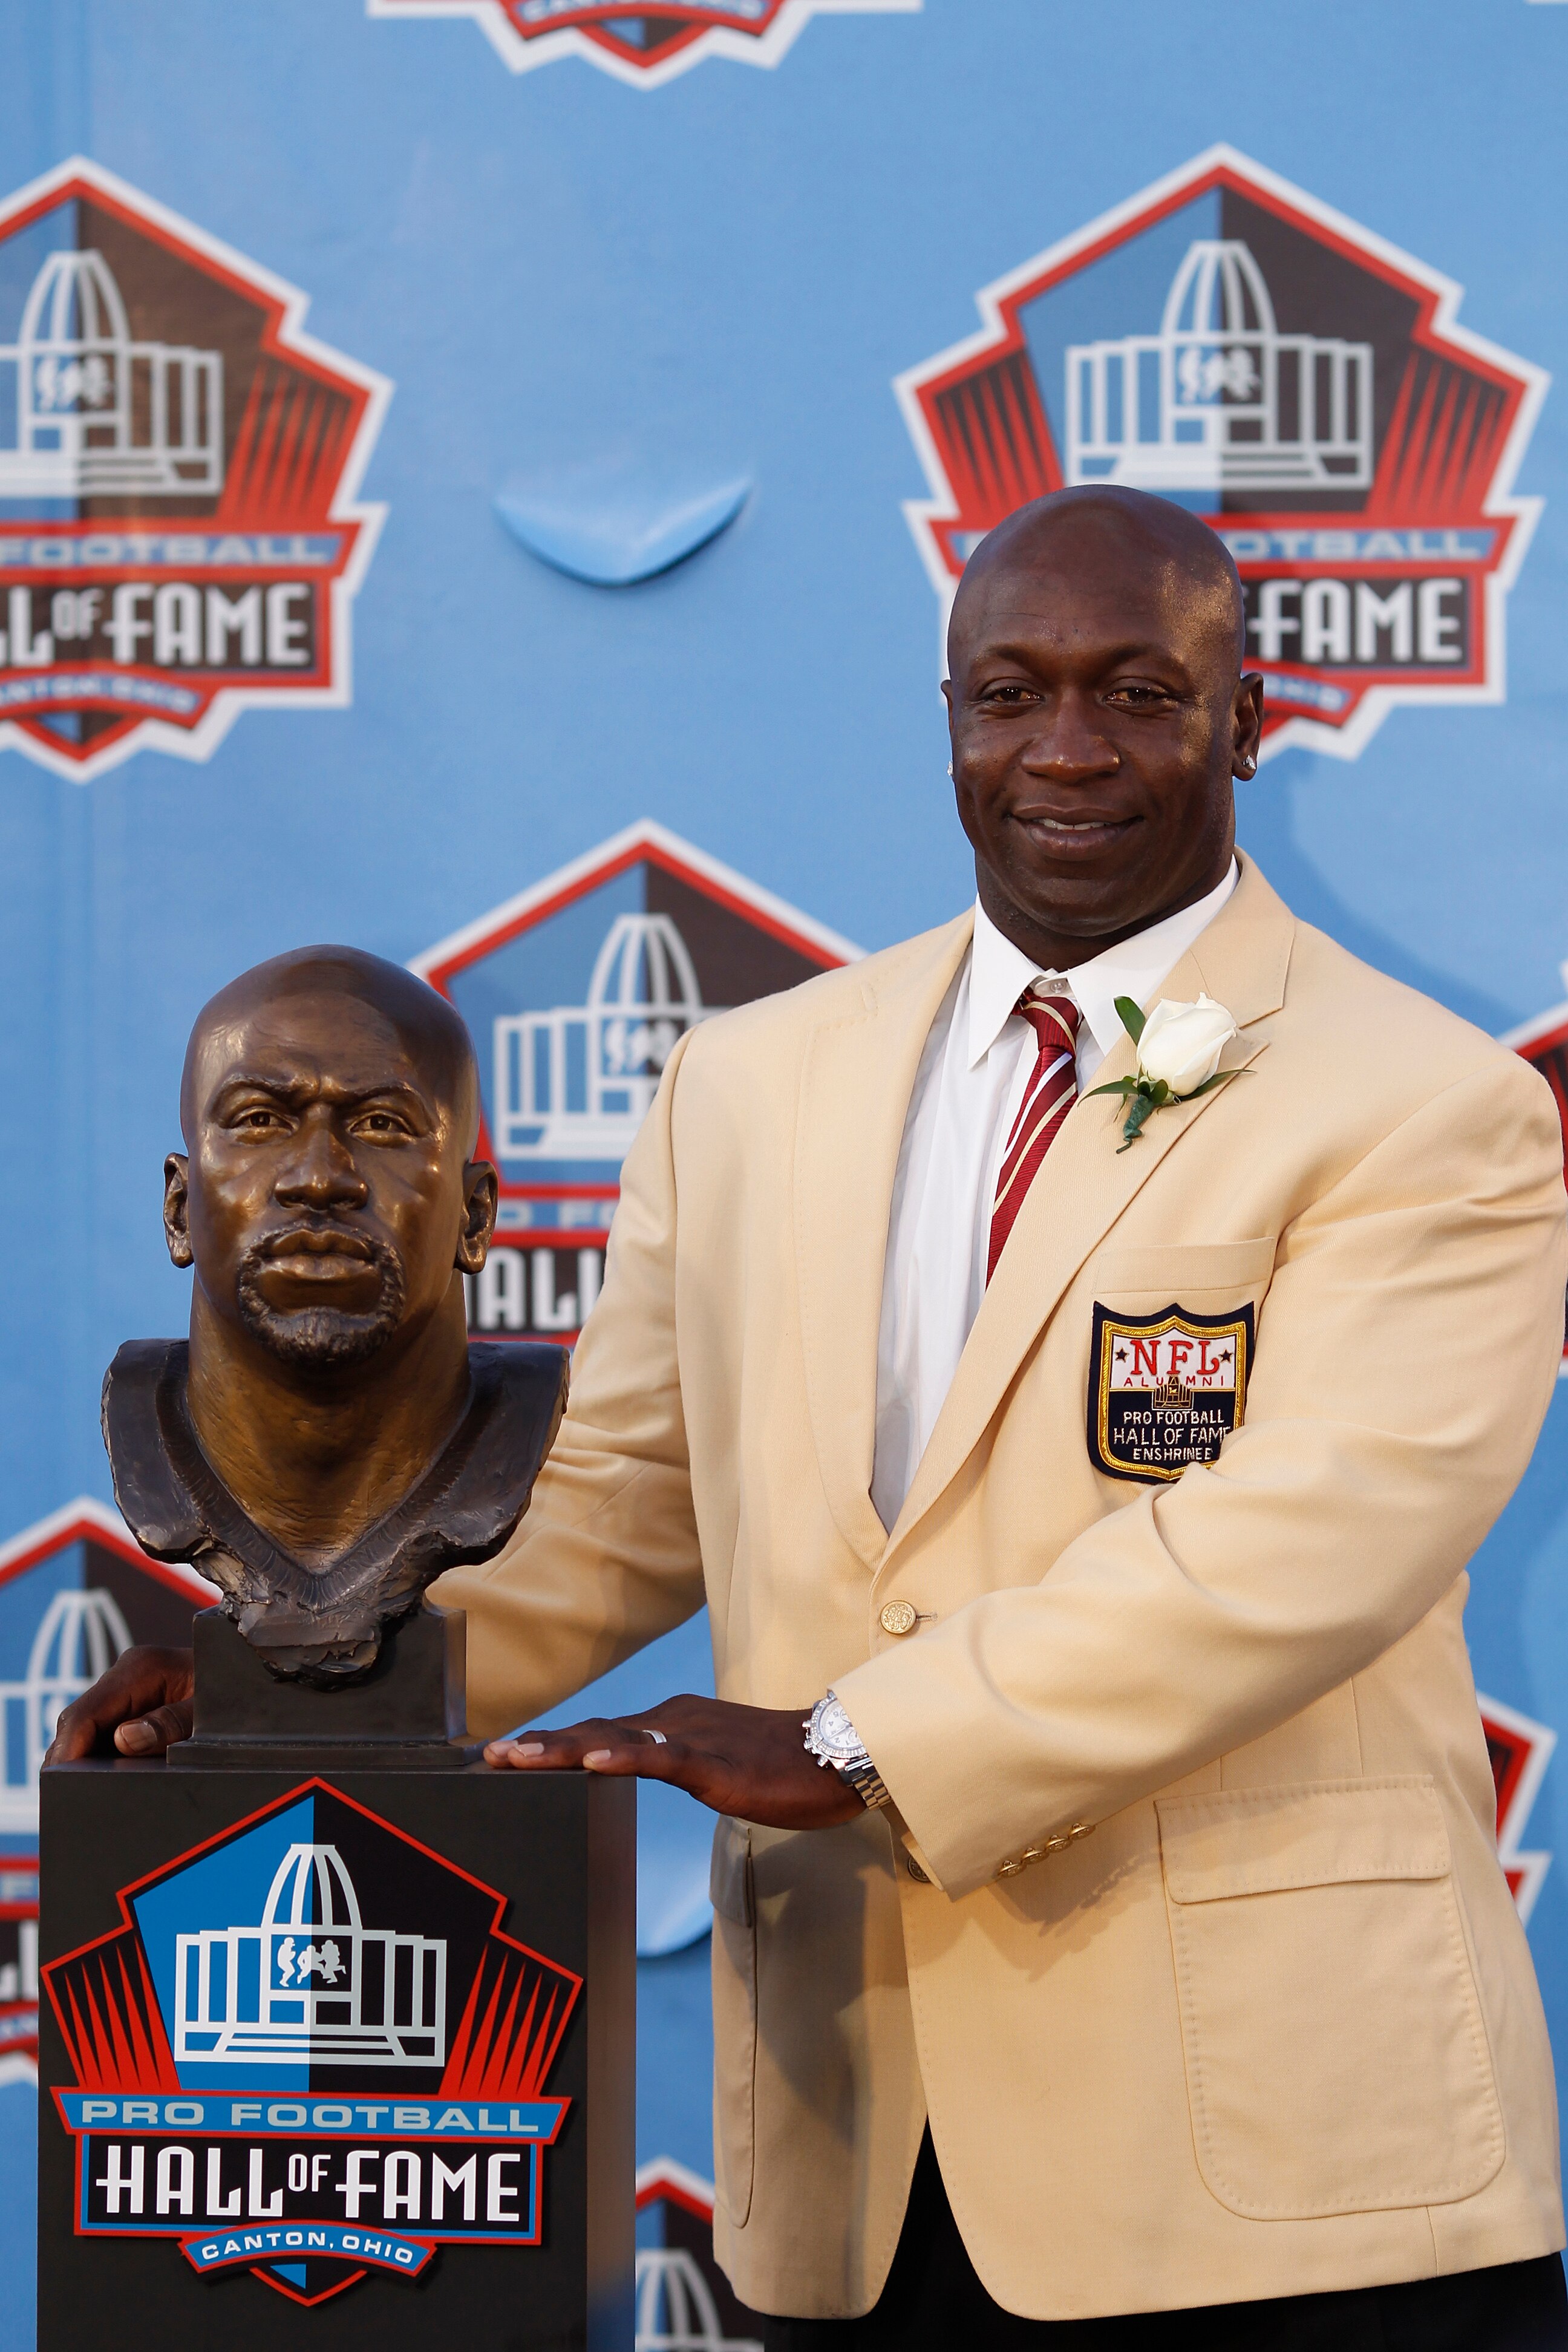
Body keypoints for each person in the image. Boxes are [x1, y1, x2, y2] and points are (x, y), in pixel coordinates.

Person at [53, 488, 1568, 2347]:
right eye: (1009, 694)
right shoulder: (752, 1079)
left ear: (1249, 717)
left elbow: (1309, 1545)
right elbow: (616, 1500)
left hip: (1276, 2174)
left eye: (1139, 694)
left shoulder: (1427, 1106)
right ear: (948, 718)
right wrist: (298, 1680)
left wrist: (856, 1740)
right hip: (856, 2147)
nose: (1066, 750)